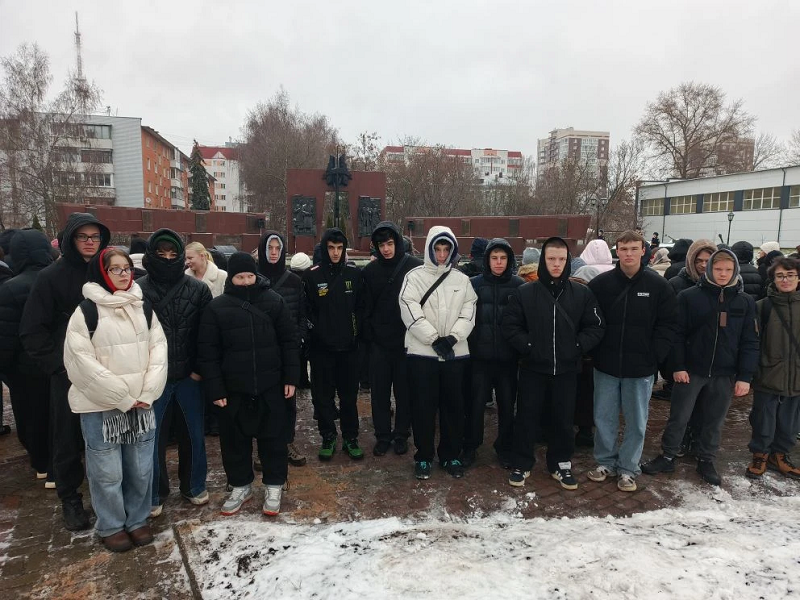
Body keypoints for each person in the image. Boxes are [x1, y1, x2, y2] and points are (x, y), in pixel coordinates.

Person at [63, 248, 167, 552]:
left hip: (141, 405)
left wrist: (147, 392)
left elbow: (159, 352)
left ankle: (137, 519)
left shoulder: (143, 308)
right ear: (101, 273)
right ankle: (111, 524)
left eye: (127, 268)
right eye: (115, 269)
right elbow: (80, 362)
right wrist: (121, 396)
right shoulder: (87, 312)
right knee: (107, 471)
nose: (123, 274)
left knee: (140, 467)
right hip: (102, 407)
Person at [20, 212, 111, 531]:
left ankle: (108, 496)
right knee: (67, 439)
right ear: (70, 239)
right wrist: (59, 367)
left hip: (107, 369)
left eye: (95, 237)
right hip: (69, 374)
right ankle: (70, 498)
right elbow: (32, 331)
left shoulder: (107, 271)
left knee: (107, 436)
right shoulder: (51, 277)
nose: (89, 242)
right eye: (82, 236)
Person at [641, 248, 758, 486]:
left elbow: (750, 341)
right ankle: (668, 454)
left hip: (724, 373)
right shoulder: (690, 296)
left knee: (714, 420)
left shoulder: (745, 302)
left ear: (735, 270)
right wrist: (678, 366)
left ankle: (706, 458)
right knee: (679, 417)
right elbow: (677, 334)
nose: (723, 274)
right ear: (709, 269)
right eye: (718, 269)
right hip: (692, 370)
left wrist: (745, 376)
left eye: (728, 270)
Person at [197, 252, 299, 516]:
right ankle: (240, 485)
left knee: (273, 439)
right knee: (234, 442)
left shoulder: (273, 301)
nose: (245, 282)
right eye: (239, 277)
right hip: (234, 388)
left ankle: (274, 484)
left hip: (270, 384)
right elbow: (208, 352)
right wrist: (215, 388)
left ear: (256, 275)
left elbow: (289, 341)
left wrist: (291, 377)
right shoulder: (217, 308)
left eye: (249, 276)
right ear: (231, 278)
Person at [503, 237, 604, 489]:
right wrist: (528, 346)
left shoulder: (582, 293)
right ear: (543, 261)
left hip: (567, 369)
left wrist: (577, 347)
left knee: (563, 419)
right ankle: (522, 462)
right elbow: (510, 325)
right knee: (526, 417)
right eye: (551, 259)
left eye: (561, 259)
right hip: (533, 368)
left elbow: (595, 326)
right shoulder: (525, 293)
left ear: (567, 261)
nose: (556, 264)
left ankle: (560, 463)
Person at [586, 230, 677, 492]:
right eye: (623, 249)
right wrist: (595, 351)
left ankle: (628, 467)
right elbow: (589, 320)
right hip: (606, 364)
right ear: (617, 251)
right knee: (604, 417)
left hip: (641, 367)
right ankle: (605, 462)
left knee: (636, 421)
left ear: (643, 251)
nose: (628, 254)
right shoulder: (601, 284)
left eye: (634, 248)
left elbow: (668, 324)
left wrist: (655, 355)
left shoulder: (658, 286)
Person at [137, 229, 213, 517]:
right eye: (162, 254)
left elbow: (207, 335)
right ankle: (154, 492)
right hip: (152, 379)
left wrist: (199, 370)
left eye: (173, 254)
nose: (168, 259)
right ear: (152, 255)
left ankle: (194, 485)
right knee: (151, 439)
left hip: (188, 376)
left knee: (193, 435)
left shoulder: (198, 290)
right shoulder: (137, 290)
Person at [399, 226, 477, 479]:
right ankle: (423, 456)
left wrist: (453, 337)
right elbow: (409, 310)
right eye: (438, 249)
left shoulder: (462, 280)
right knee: (423, 407)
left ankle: (450, 454)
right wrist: (433, 339)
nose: (442, 255)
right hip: (422, 354)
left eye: (446, 249)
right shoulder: (414, 277)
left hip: (455, 354)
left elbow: (469, 311)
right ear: (429, 250)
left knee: (453, 407)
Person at [462, 238, 525, 469]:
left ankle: (505, 447)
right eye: (494, 258)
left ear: (509, 260)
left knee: (507, 405)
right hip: (480, 357)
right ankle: (471, 445)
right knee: (475, 404)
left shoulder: (519, 286)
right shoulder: (474, 284)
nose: (498, 262)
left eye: (503, 258)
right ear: (487, 260)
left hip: (508, 358)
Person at [361, 221, 422, 457]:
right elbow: (365, 307)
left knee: (404, 393)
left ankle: (401, 434)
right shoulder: (370, 272)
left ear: (396, 242)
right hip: (380, 344)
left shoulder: (414, 267)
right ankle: (383, 435)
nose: (386, 249)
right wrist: (371, 336)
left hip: (407, 342)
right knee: (379, 394)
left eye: (389, 243)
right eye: (381, 245)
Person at [303, 228, 364, 460]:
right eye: (331, 248)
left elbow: (361, 307)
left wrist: (356, 333)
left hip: (348, 349)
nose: (335, 253)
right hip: (322, 350)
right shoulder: (312, 276)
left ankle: (350, 437)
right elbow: (306, 311)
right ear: (324, 249)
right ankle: (328, 435)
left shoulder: (354, 275)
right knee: (323, 397)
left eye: (339, 248)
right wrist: (315, 333)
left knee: (349, 397)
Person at [0, 230, 54, 482]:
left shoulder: (11, 288)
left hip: (25, 369)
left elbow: (6, 335)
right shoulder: (57, 279)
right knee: (59, 415)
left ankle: (42, 463)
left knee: (32, 417)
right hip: (59, 362)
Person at [746, 257, 800, 480]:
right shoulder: (763, 307)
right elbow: (752, 342)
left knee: (791, 419)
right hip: (768, 373)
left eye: (790, 275)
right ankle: (760, 454)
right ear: (773, 279)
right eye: (780, 276)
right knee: (763, 417)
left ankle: (780, 455)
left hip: (797, 376)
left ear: (798, 278)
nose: (785, 280)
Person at [258, 230, 307, 466]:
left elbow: (302, 314)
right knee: (262, 401)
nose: (274, 253)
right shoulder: (253, 278)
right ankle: (264, 447)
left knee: (288, 399)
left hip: (287, 350)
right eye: (270, 248)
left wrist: (298, 339)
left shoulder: (294, 281)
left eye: (278, 248)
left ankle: (287, 441)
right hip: (260, 351)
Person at [290, 252, 313, 389]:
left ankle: (299, 379)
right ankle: (303, 379)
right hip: (304, 322)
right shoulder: (309, 279)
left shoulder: (289, 280)